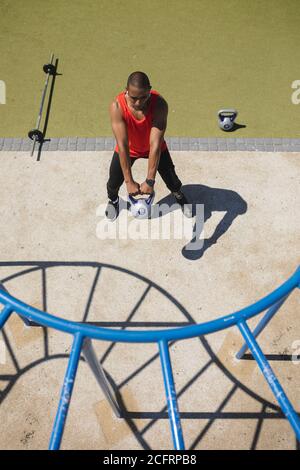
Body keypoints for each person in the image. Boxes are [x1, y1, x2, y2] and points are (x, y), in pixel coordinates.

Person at [106, 71, 192, 221]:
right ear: (126, 89)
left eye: (143, 97)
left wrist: (150, 180)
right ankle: (113, 200)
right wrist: (129, 181)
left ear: (150, 90)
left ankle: (178, 194)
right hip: (129, 149)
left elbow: (155, 144)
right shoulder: (117, 106)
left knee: (173, 181)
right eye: (133, 98)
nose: (138, 103)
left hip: (153, 148)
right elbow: (123, 145)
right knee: (113, 183)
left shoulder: (159, 104)